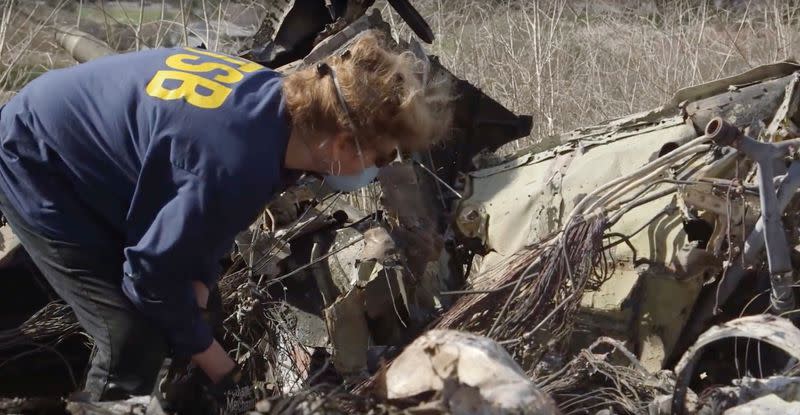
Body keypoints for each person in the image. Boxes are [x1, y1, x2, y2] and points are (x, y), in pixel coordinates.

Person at [0, 30, 452, 413]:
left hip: (88, 156)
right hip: (40, 157)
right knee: (130, 340)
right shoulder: (238, 161)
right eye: (381, 155)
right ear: (342, 144)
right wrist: (226, 375)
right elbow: (150, 278)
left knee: (195, 311)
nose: (379, 167)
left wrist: (198, 294)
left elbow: (194, 223)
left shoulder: (279, 114)